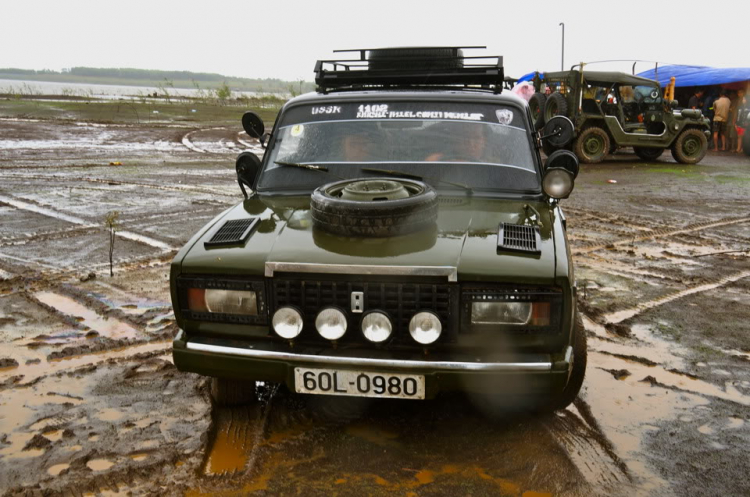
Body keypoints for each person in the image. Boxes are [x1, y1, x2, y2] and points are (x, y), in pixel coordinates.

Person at [734, 89, 748, 154]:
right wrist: (736, 123)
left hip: (746, 124)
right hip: (740, 124)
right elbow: (738, 115)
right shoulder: (740, 107)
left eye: (744, 99)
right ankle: (738, 148)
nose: (743, 100)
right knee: (739, 136)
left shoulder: (748, 108)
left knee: (744, 137)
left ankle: (742, 149)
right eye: (743, 99)